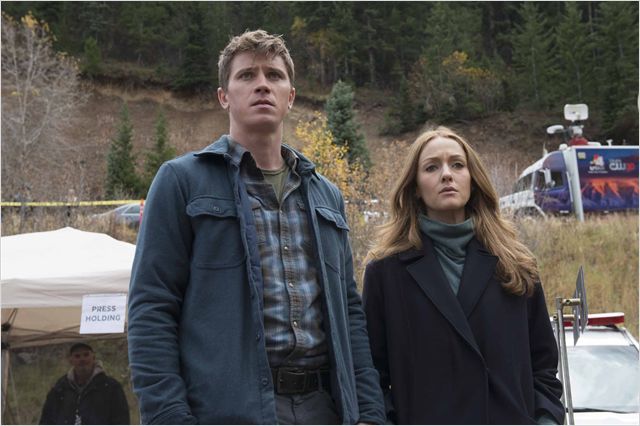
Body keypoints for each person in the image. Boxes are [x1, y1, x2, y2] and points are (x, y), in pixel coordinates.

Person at [127, 29, 385, 425]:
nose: (262, 84)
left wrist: (369, 413)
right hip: (226, 411)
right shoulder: (182, 181)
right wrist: (169, 417)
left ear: (290, 97)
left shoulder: (326, 195)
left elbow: (349, 313)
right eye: (247, 75)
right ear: (224, 96)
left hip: (325, 408)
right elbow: (152, 308)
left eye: (274, 75)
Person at [362, 126, 564, 424]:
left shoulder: (516, 264)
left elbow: (544, 368)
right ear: (415, 186)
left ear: (473, 179)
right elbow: (371, 376)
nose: (447, 174)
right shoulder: (385, 272)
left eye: (457, 164)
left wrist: (546, 421)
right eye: (431, 167)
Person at [39, 342, 130, 425]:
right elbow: (47, 419)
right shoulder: (60, 388)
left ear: (93, 357)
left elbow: (122, 420)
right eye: (77, 356)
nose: (82, 359)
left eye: (86, 355)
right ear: (71, 360)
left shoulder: (111, 387)